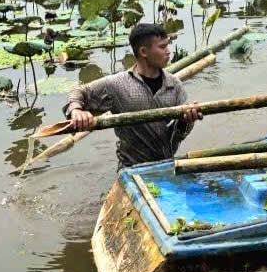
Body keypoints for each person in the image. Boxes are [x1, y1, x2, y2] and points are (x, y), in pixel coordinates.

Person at [62, 23, 202, 170]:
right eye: (162, 47)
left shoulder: (174, 85)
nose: (168, 52)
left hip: (165, 165)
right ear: (143, 52)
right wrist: (76, 110)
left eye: (167, 46)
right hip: (131, 168)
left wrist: (187, 120)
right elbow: (79, 92)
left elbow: (179, 135)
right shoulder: (117, 84)